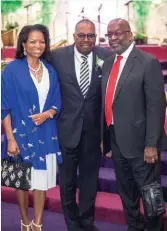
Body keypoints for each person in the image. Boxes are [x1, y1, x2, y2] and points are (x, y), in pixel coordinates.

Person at [101, 18, 167, 231]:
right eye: (109, 34)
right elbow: (109, 101)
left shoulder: (147, 62)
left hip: (142, 145)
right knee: (126, 193)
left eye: (118, 33)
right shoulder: (110, 62)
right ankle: (134, 227)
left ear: (130, 34)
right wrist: (107, 140)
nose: (113, 38)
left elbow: (156, 106)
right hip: (117, 141)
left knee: (150, 194)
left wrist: (151, 144)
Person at [51, 19, 111, 231]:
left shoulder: (106, 57)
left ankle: (87, 220)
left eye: (91, 36)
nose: (87, 40)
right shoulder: (57, 57)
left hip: (94, 133)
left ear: (96, 36)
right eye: (82, 35)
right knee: (67, 183)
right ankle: (72, 222)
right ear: (74, 35)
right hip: (66, 130)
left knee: (89, 181)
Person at [1, 24, 61, 231]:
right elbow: (4, 106)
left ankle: (38, 224)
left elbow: (57, 102)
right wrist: (10, 138)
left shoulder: (50, 70)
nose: (38, 45)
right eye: (33, 41)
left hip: (46, 133)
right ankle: (25, 222)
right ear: (24, 44)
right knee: (22, 182)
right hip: (19, 134)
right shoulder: (12, 69)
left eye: (42, 41)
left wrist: (48, 114)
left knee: (41, 182)